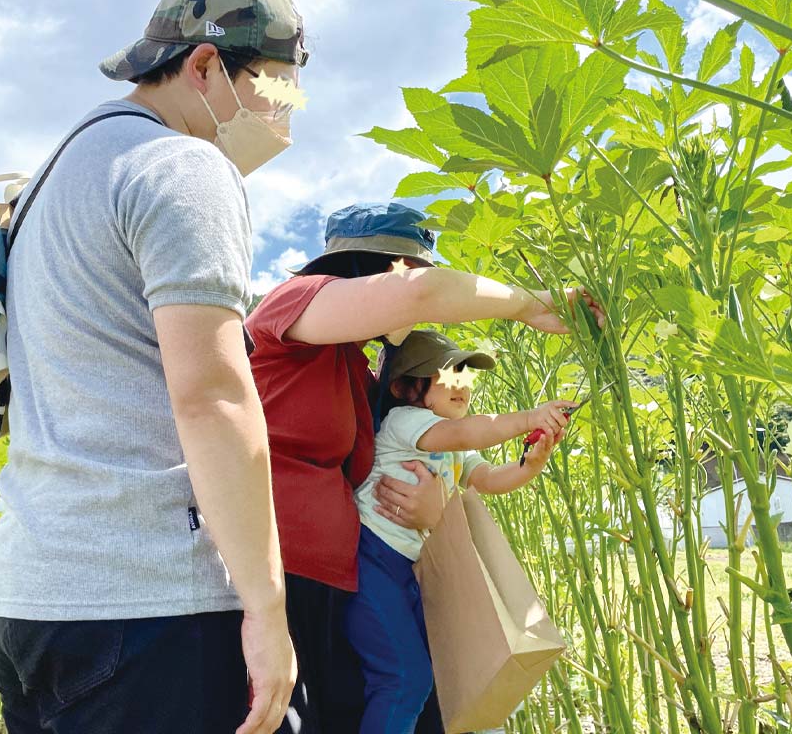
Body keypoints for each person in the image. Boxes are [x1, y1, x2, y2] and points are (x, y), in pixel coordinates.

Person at [0, 0, 305, 734]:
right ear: (203, 66)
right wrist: (266, 607)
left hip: (30, 596)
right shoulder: (184, 167)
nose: (287, 117)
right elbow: (214, 396)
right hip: (147, 600)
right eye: (280, 90)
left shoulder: (50, 179)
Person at [245, 202, 602, 733]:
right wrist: (532, 304)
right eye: (415, 270)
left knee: (397, 693)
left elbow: (406, 464)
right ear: (387, 270)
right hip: (277, 574)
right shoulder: (293, 301)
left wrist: (433, 511)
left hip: (338, 576)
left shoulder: (356, 362)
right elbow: (419, 295)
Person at [347, 329, 573, 733]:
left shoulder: (454, 444)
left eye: (466, 375)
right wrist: (528, 418)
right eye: (450, 373)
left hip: (408, 571)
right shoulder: (406, 422)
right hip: (372, 560)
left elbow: (486, 477)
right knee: (406, 679)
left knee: (417, 677)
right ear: (405, 386)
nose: (463, 383)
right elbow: (467, 432)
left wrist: (531, 465)